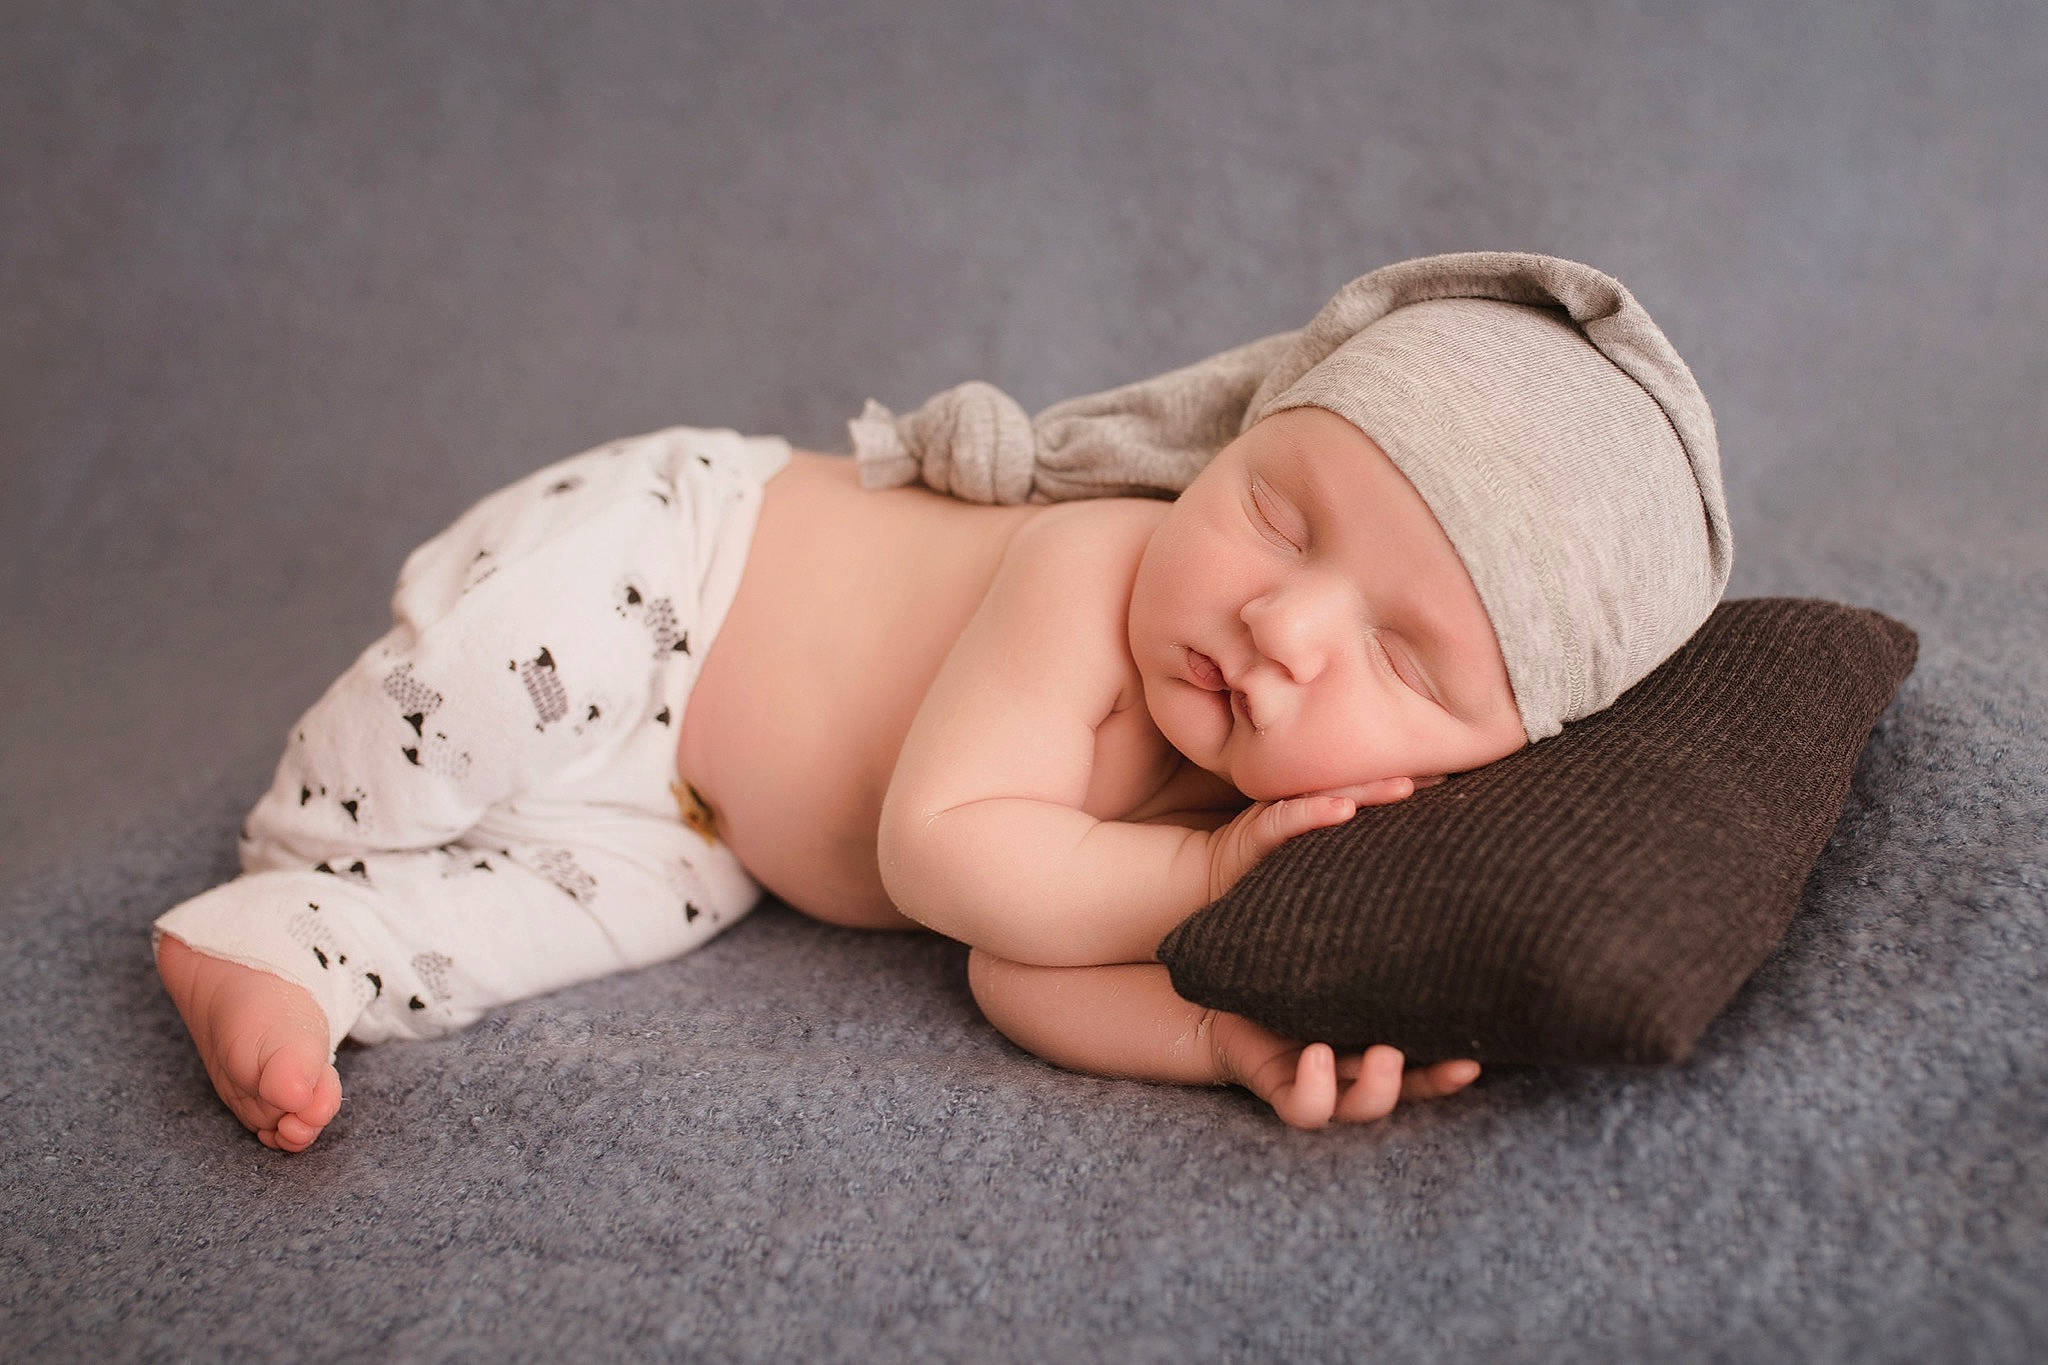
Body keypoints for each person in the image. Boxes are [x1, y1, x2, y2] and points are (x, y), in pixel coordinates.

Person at [152, 252, 1731, 1149]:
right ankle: (293, 854)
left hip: (710, 828)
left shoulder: (1267, 797)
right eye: (1279, 512)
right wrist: (1201, 875)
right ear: (1231, 435)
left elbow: (1015, 964)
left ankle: (288, 950)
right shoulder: (1097, 566)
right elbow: (942, 850)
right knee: (466, 701)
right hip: (666, 574)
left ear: (1494, 750)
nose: (1283, 619)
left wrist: (1220, 1031)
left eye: (1400, 655)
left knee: (563, 916)